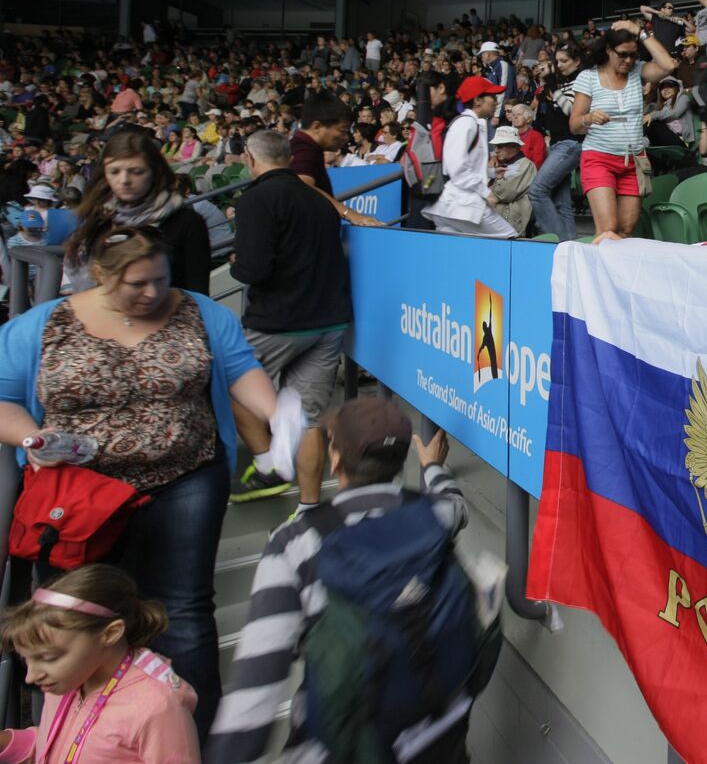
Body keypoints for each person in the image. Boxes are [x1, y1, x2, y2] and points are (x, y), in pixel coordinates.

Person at [0, 227, 279, 741]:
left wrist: (279, 417)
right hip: (79, 496)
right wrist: (35, 438)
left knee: (186, 607)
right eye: (136, 284)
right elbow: (4, 396)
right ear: (102, 275)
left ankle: (192, 736)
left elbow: (241, 369)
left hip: (186, 477)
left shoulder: (200, 312)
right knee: (72, 614)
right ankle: (75, 736)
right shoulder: (44, 324)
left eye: (160, 280)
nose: (152, 293)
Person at [207, 398, 471, 764]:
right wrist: (431, 467)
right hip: (435, 740)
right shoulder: (436, 516)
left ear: (334, 460)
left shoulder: (293, 543)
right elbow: (454, 501)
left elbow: (257, 693)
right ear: (397, 462)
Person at [228, 130, 352, 509]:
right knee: (312, 419)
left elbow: (254, 269)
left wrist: (236, 265)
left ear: (250, 158)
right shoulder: (319, 200)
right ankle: (309, 509)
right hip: (328, 321)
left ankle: (270, 465)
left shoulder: (255, 199)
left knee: (231, 385)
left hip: (276, 323)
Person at [0, 565, 198, 762]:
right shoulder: (65, 680)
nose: (31, 676)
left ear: (110, 634)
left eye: (49, 658)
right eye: (26, 659)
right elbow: (58, 747)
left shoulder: (158, 707)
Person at [66, 128, 211, 294]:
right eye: (114, 171)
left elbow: (198, 294)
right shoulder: (98, 219)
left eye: (137, 171)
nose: (124, 180)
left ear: (154, 172)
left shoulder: (187, 222)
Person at [570, 20, 677, 239]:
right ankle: (596, 273)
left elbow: (668, 66)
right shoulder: (589, 77)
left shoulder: (637, 71)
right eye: (622, 54)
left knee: (626, 231)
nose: (629, 60)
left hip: (633, 161)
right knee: (608, 229)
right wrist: (589, 118)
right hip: (599, 159)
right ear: (608, 50)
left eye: (633, 55)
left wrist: (640, 32)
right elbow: (574, 125)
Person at [424, 76, 518, 238]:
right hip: (461, 205)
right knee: (510, 239)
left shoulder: (471, 123)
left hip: (452, 207)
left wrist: (489, 173)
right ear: (477, 101)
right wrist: (486, 192)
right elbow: (456, 168)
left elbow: (464, 165)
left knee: (457, 255)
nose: (496, 102)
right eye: (492, 97)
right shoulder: (466, 123)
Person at [287, 92, 383, 225]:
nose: (345, 137)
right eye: (342, 130)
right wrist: (350, 214)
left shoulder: (306, 148)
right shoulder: (303, 149)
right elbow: (303, 184)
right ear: (317, 127)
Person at [529, 42, 584, 241]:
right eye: (557, 61)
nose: (559, 65)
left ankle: (558, 243)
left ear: (577, 61)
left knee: (537, 191)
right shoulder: (564, 81)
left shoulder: (581, 80)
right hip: (559, 144)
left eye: (564, 61)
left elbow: (571, 111)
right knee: (562, 204)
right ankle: (570, 245)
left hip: (570, 143)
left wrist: (552, 85)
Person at [486, 125, 538, 236]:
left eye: (500, 146)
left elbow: (501, 195)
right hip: (499, 223)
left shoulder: (525, 165)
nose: (496, 150)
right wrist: (490, 172)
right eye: (496, 146)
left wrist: (491, 182)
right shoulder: (504, 164)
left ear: (514, 147)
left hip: (511, 227)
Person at [478, 41, 515, 131]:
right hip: (492, 113)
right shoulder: (492, 68)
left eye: (482, 54)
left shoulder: (502, 65)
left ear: (488, 54)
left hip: (500, 116)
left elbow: (504, 91)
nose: (481, 58)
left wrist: (497, 115)